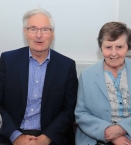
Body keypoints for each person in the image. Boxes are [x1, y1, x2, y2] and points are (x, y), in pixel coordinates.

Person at [0, 8, 78, 145]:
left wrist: (46, 138)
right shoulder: (7, 60)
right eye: (33, 29)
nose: (39, 35)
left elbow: (69, 109)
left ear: (52, 34)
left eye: (45, 29)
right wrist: (16, 136)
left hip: (50, 136)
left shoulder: (67, 66)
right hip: (11, 134)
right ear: (25, 32)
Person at [75, 22, 131, 145]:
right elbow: (81, 114)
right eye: (108, 47)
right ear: (101, 48)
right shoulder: (87, 75)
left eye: (119, 47)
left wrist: (121, 129)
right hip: (98, 138)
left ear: (128, 47)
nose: (113, 53)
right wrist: (112, 135)